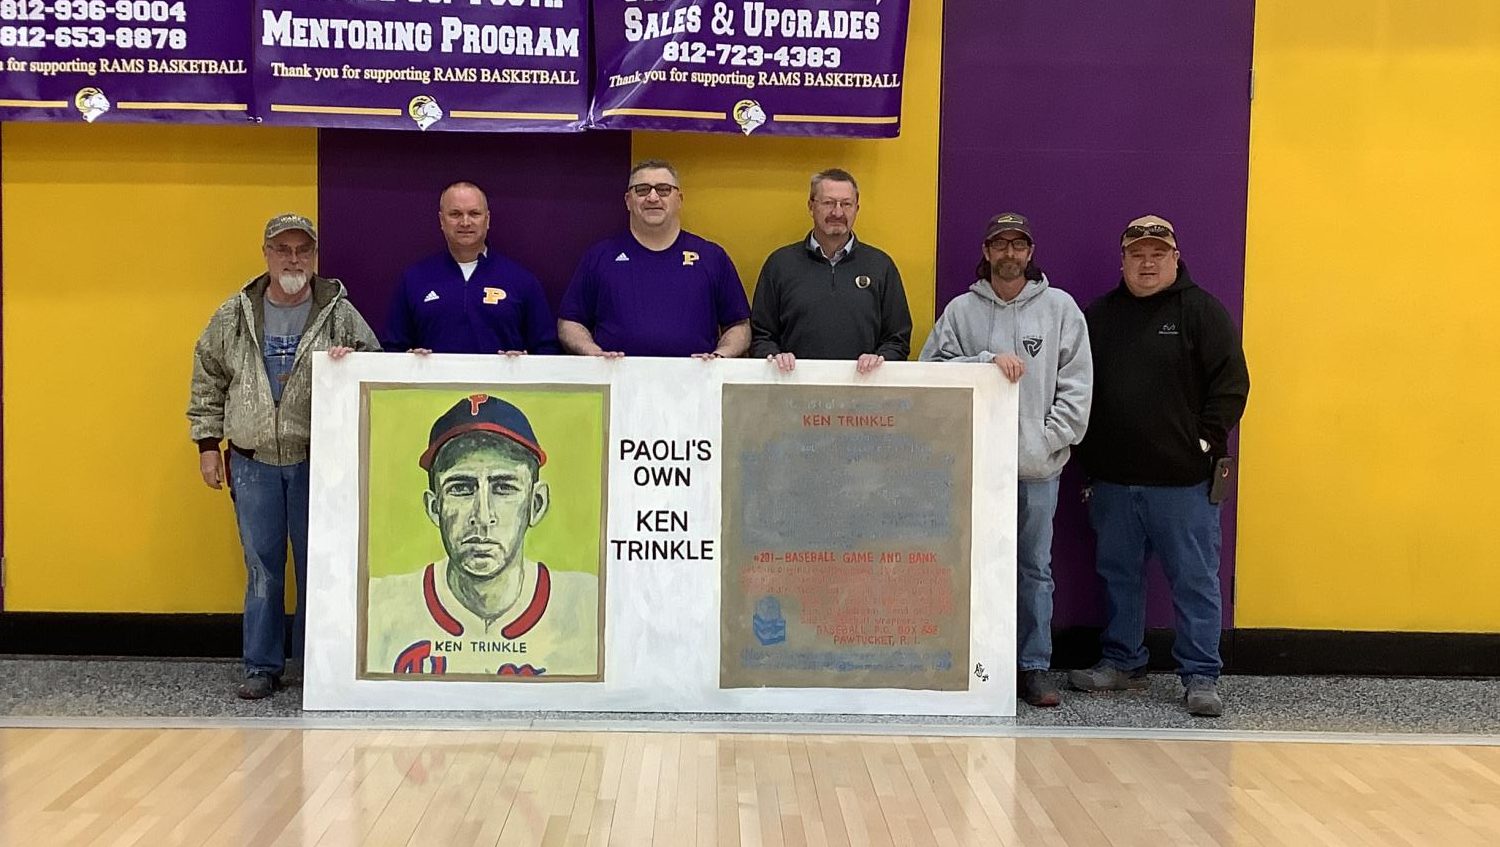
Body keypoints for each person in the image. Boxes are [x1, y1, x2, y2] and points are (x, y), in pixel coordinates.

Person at [188, 213, 380, 700]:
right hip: (251, 462)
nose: (293, 259)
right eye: (283, 249)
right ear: (266, 254)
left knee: (320, 565)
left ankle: (315, 664)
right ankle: (261, 666)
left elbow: (375, 371)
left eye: (303, 250)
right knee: (263, 568)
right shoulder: (235, 313)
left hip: (318, 461)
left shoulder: (339, 312)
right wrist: (209, 446)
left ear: (314, 257)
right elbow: (207, 377)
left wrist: (351, 362)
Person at [1068, 215, 1250, 718]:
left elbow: (1232, 384)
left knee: (1195, 579)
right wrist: (1088, 453)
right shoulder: (1098, 316)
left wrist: (1205, 440)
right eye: (1137, 254)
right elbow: (1076, 386)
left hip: (1184, 483)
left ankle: (1201, 675)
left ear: (1175, 256)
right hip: (1113, 482)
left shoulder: (1202, 312)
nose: (1147, 263)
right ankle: (1123, 662)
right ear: (1123, 259)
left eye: (1157, 253)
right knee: (1118, 575)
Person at [920, 213, 1092, 708]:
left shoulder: (1060, 310)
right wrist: (983, 361)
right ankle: (976, 666)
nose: (1010, 253)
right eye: (1001, 245)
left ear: (1031, 251)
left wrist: (1046, 442)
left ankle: (1033, 667)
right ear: (987, 250)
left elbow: (1077, 386)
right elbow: (931, 373)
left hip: (1037, 472)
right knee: (967, 566)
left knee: (1034, 570)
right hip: (972, 472)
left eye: (1019, 245)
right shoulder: (961, 311)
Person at [364, 394, 599, 677]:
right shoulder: (377, 609)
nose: (483, 515)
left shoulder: (590, 607)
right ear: (435, 507)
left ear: (535, 505)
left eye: (503, 488)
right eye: (461, 488)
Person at [558, 160, 750, 359]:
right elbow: (570, 323)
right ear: (628, 200)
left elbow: (739, 325)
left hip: (696, 383)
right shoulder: (600, 257)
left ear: (679, 199)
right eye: (642, 190)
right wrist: (594, 353)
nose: (652, 197)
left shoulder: (712, 257)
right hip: (617, 383)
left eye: (663, 189)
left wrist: (721, 355)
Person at [750, 168, 912, 374]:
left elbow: (897, 339)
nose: (837, 213)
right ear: (811, 206)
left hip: (863, 394)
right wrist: (774, 357)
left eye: (846, 204)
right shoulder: (780, 264)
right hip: (792, 394)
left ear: (857, 208)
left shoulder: (880, 266)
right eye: (828, 203)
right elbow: (761, 336)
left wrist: (880, 359)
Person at [383, 181, 559, 355]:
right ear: (441, 220)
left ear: (487, 220)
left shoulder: (522, 281)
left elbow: (547, 350)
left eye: (474, 213)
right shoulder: (414, 279)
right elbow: (392, 350)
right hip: (433, 384)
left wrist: (525, 364)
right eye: (455, 214)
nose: (465, 222)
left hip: (502, 383)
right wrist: (409, 359)